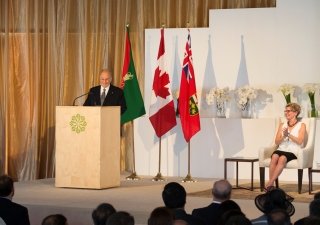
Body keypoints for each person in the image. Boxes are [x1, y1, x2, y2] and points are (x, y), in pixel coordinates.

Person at [265, 103, 306, 189]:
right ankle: (271, 185)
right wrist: (284, 136)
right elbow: (276, 141)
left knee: (282, 158)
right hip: (281, 148)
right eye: (285, 111)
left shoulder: (302, 125)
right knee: (275, 156)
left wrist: (289, 135)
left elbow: (300, 141)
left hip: (293, 151)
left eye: (288, 111)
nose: (286, 113)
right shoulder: (282, 125)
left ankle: (270, 183)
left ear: (295, 113)